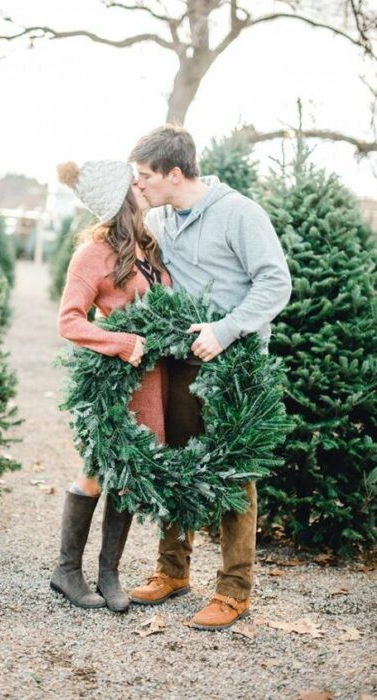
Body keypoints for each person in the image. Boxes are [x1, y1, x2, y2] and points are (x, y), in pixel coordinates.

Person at [128, 124, 292, 631]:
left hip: (234, 363)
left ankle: (233, 591)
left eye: (146, 176)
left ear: (176, 174)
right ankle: (172, 571)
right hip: (179, 361)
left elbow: (275, 281)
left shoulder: (239, 213)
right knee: (178, 463)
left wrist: (226, 329)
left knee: (232, 475)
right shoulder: (159, 216)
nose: (140, 185)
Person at [50, 159, 170, 613]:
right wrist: (119, 342)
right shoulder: (93, 253)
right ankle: (66, 572)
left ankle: (109, 574)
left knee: (128, 477)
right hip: (115, 381)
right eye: (133, 181)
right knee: (97, 471)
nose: (142, 183)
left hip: (151, 381)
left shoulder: (148, 245)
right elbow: (69, 321)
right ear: (118, 195)